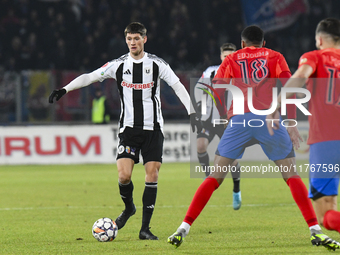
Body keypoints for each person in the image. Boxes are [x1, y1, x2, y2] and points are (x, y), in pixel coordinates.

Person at [168, 25, 340, 250]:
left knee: (215, 177)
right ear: (263, 43)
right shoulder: (275, 56)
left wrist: (224, 118)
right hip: (269, 120)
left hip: (240, 120)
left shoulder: (231, 60)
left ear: (242, 44)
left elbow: (217, 93)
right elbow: (288, 88)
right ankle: (314, 230)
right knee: (291, 175)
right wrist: (289, 122)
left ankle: (183, 227)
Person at [49, 22, 201, 240]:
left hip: (153, 129)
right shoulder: (118, 65)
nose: (133, 43)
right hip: (128, 129)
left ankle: (145, 229)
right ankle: (129, 208)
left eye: (136, 38)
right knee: (124, 175)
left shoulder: (157, 64)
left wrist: (192, 113)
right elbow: (90, 76)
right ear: (126, 40)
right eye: (129, 39)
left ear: (144, 39)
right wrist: (64, 89)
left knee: (152, 174)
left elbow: (177, 86)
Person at [267, 18, 340, 236]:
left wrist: (277, 103)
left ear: (319, 39)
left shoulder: (314, 57)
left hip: (326, 141)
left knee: (325, 214)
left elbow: (300, 76)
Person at [195, 42, 241, 210]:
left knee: (233, 159)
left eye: (230, 55)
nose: (227, 58)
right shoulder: (210, 72)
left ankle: (236, 190)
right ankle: (208, 177)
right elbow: (200, 89)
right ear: (221, 56)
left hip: (228, 120)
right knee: (201, 146)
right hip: (209, 118)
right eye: (225, 55)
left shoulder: (241, 73)